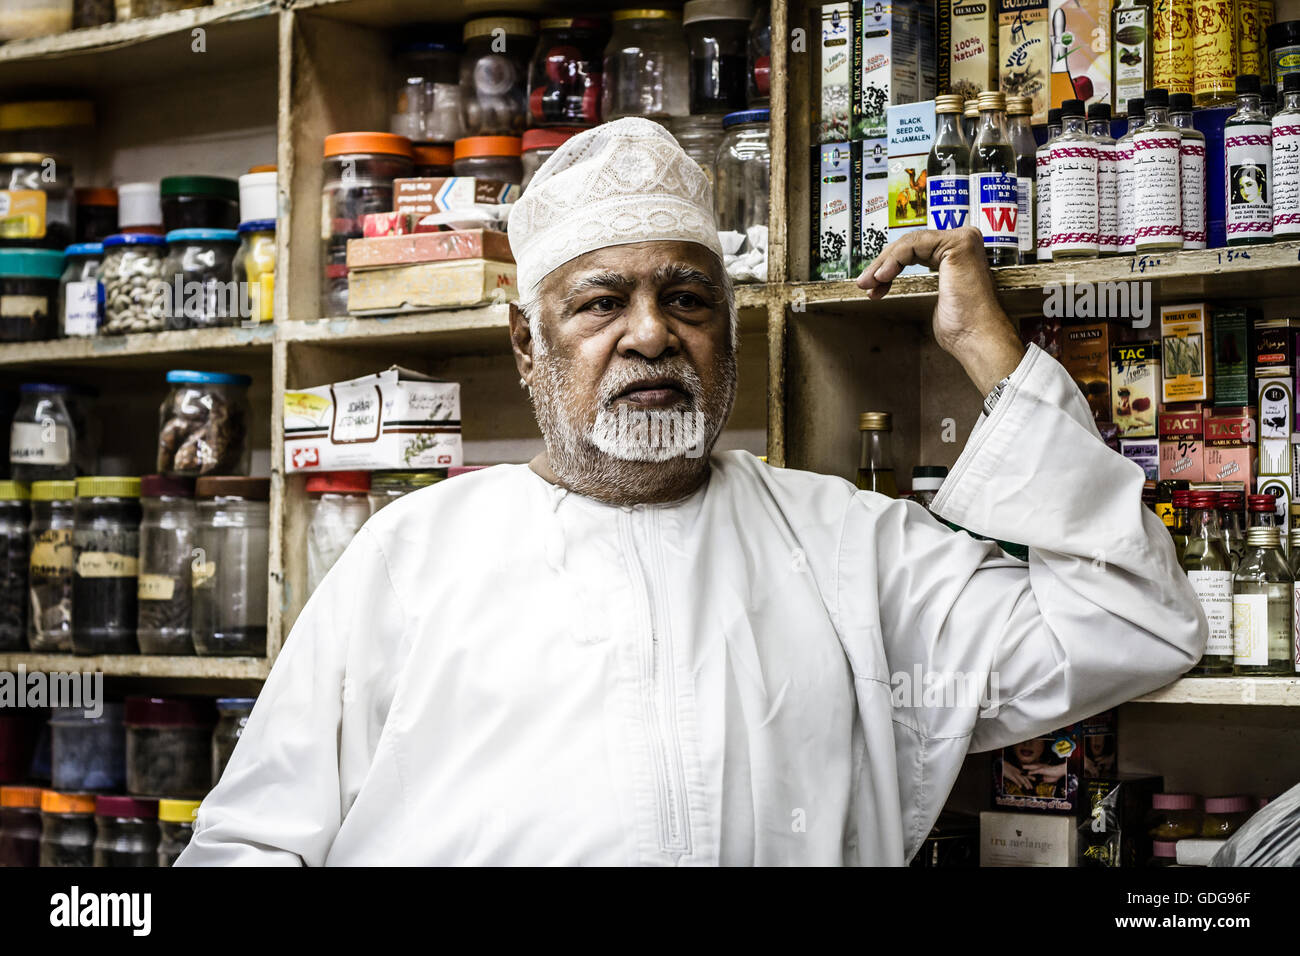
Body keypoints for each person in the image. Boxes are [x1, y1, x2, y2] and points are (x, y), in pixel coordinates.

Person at [177, 118, 1206, 867]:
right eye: (599, 302)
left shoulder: (854, 548)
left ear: (724, 331)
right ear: (527, 345)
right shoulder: (412, 556)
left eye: (686, 298)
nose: (650, 332)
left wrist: (988, 349)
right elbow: (251, 844)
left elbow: (1136, 620)